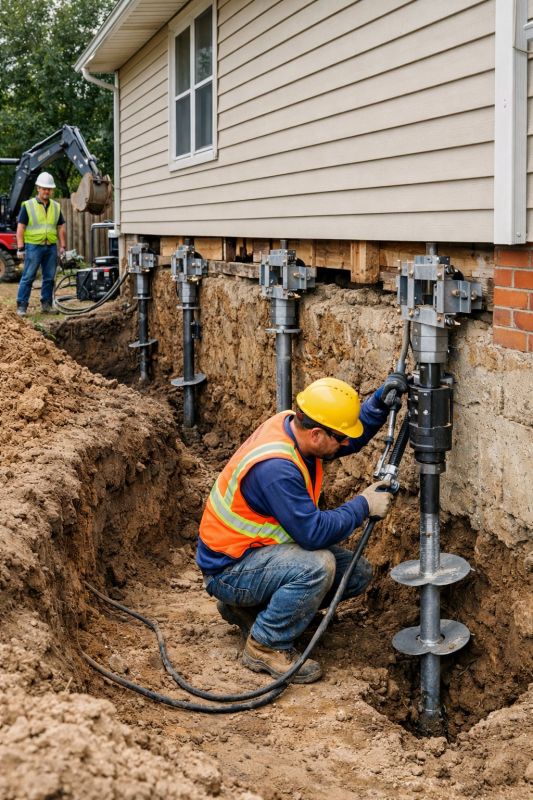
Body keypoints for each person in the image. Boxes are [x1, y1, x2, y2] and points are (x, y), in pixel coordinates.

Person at [197, 374, 408, 683]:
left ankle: (254, 612)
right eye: (339, 437)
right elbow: (313, 533)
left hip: (256, 554)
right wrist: (363, 505)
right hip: (229, 571)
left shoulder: (295, 426)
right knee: (318, 567)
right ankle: (266, 644)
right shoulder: (277, 469)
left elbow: (346, 440)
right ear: (317, 435)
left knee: (355, 573)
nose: (346, 444)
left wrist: (377, 404)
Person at [16, 172, 66, 317]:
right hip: (33, 247)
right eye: (44, 188)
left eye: (49, 189)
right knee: (28, 276)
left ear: (52, 190)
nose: (46, 191)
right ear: (38, 188)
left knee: (49, 277)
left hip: (50, 246)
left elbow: (61, 226)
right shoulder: (28, 205)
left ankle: (46, 305)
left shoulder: (56, 207)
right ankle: (22, 306)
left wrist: (62, 246)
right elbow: (21, 227)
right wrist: (20, 247)